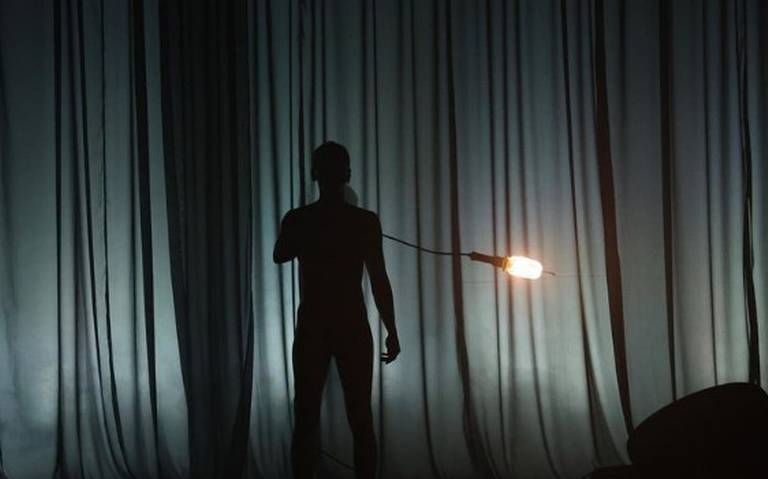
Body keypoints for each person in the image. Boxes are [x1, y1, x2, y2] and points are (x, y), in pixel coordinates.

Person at [274, 141, 400, 479]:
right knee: (357, 418)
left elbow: (280, 254)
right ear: (348, 174)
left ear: (315, 174)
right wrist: (391, 330)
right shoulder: (362, 222)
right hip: (348, 326)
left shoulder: (302, 219)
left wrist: (306, 228)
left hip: (316, 326)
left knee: (309, 417)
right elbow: (379, 279)